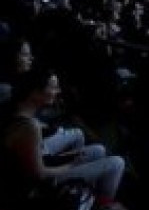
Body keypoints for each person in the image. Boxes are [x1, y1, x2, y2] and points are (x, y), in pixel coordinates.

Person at [1, 68, 125, 210]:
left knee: (98, 150)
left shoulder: (16, 111)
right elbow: (39, 174)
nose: (58, 91)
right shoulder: (29, 127)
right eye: (53, 87)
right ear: (35, 92)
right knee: (117, 162)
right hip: (37, 187)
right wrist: (71, 165)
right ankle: (100, 205)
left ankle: (87, 194)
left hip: (40, 165)